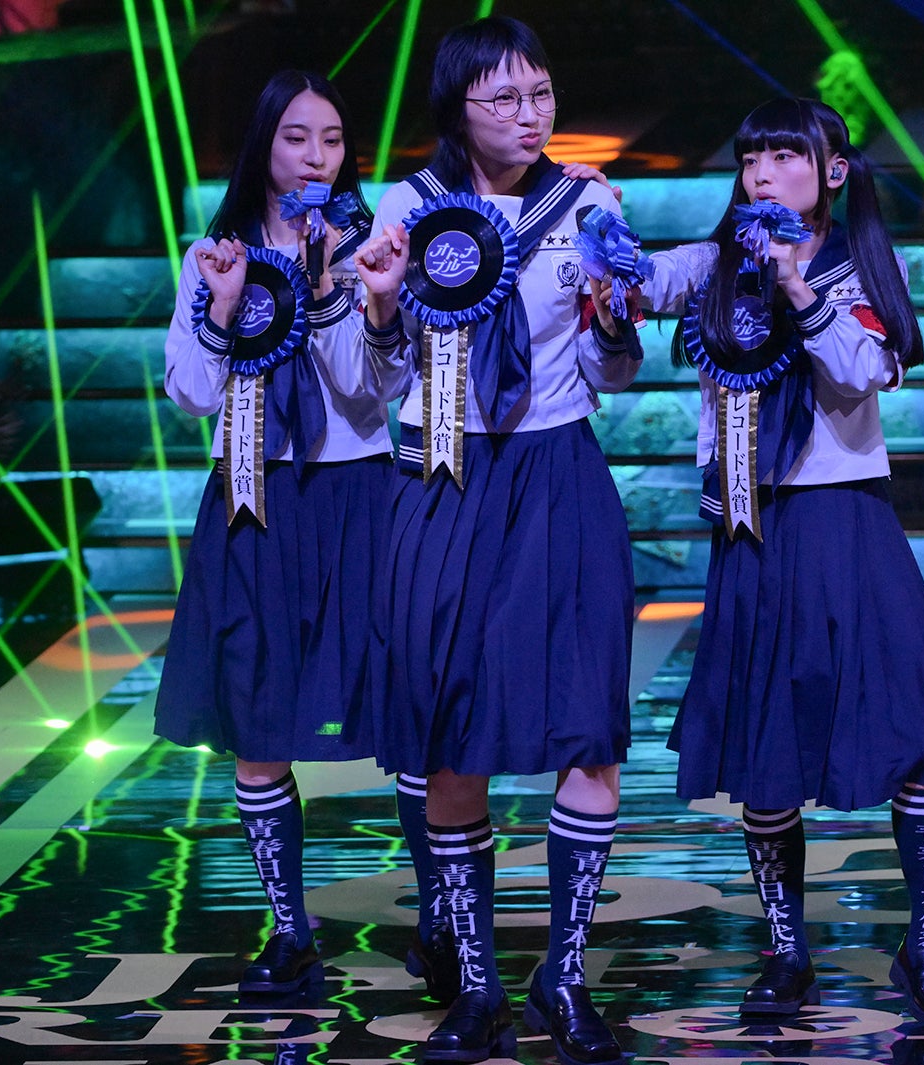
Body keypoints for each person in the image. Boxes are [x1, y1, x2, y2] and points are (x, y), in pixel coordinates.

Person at [639, 97, 924, 1026]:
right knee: (766, 748)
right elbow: (640, 285)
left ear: (834, 172)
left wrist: (794, 284)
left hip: (850, 521)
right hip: (754, 533)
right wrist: (596, 229)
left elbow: (863, 370)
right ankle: (788, 952)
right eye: (753, 158)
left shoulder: (860, 267)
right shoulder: (715, 263)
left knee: (912, 730)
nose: (763, 172)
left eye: (786, 155)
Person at [365, 16, 642, 1065]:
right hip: (444, 478)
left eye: (541, 95)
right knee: (451, 735)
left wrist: (613, 316)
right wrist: (379, 308)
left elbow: (615, 373)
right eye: (505, 99)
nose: (530, 116)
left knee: (588, 728)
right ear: (458, 108)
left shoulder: (591, 205)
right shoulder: (408, 209)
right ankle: (477, 985)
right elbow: (378, 378)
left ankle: (561, 977)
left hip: (558, 474)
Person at [154, 69, 442, 999]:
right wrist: (224, 306)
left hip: (358, 496)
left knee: (402, 708)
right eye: (295, 137)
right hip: (254, 502)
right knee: (255, 714)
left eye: (331, 138)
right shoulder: (216, 253)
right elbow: (191, 392)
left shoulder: (370, 248)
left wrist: (335, 289)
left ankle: (441, 920)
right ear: (263, 146)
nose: (316, 156)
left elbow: (376, 385)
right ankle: (289, 931)